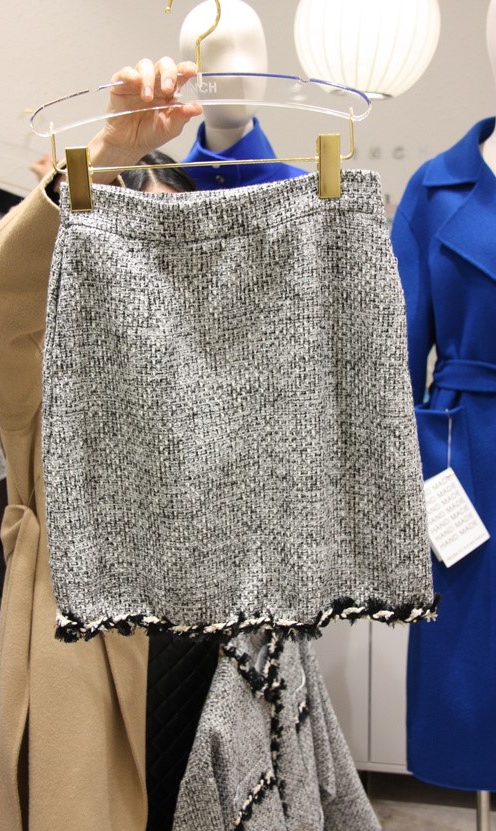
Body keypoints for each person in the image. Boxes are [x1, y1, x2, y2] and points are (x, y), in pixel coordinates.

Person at [0, 58, 202, 831]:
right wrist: (107, 155)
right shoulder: (45, 374)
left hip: (210, 668)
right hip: (83, 663)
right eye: (136, 239)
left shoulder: (220, 379)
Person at [391, 0, 496, 793]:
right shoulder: (435, 189)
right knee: (471, 672)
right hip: (467, 462)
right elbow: (392, 365)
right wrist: (421, 476)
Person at [179, 0, 306, 189]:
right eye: (217, 54)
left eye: (251, 50)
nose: (240, 73)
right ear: (190, 74)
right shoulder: (164, 193)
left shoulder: (311, 191)